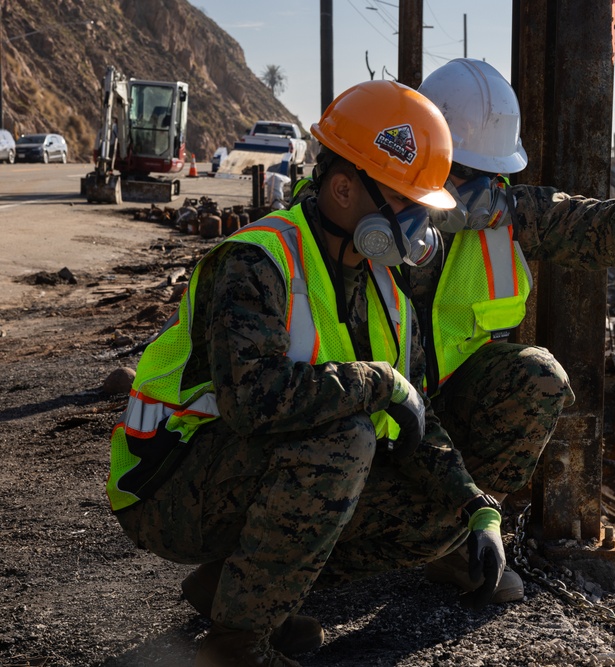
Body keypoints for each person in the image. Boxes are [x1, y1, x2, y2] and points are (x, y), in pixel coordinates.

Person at [107, 80, 508, 667]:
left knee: (434, 514)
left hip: (243, 470)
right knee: (345, 439)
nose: (419, 224)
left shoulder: (381, 284)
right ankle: (236, 647)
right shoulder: (257, 260)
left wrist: (478, 508)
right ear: (344, 189)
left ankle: (236, 592)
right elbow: (252, 399)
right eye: (406, 203)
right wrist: (373, 381)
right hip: (168, 482)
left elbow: (412, 414)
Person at [409, 58, 615, 599]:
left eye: (491, 176)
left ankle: (459, 546)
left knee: (537, 377)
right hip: (376, 401)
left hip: (450, 402)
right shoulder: (365, 218)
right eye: (461, 173)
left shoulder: (509, 214)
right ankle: (267, 573)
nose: (478, 191)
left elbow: (589, 227)